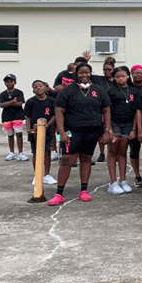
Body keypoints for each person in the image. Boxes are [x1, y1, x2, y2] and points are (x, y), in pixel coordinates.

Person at [49, 63, 111, 205]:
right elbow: (59, 110)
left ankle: (84, 190)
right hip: (72, 131)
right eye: (81, 73)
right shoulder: (67, 90)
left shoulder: (99, 90)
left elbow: (106, 110)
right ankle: (59, 193)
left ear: (91, 73)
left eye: (87, 72)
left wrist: (107, 131)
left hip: (92, 130)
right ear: (76, 74)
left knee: (86, 158)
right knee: (67, 160)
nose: (84, 75)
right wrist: (62, 132)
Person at [105, 66, 139, 195]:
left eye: (123, 76)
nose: (121, 79)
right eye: (118, 76)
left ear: (128, 76)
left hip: (128, 124)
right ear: (114, 78)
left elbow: (137, 111)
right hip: (114, 124)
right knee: (112, 152)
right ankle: (113, 182)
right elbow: (106, 110)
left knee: (123, 152)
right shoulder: (110, 91)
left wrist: (134, 129)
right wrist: (108, 129)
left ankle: (123, 180)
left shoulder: (134, 91)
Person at [24, 80, 57, 185]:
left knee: (47, 151)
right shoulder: (30, 102)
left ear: (46, 87)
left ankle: (46, 175)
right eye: (35, 87)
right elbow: (28, 117)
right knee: (36, 152)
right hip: (35, 131)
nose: (38, 88)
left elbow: (54, 115)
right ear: (33, 89)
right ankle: (37, 174)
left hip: (47, 130)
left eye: (40, 86)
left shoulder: (52, 101)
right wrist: (29, 129)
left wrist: (47, 125)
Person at [128, 65, 142, 187]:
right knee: (134, 151)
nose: (139, 75)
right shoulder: (128, 87)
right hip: (131, 122)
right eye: (136, 73)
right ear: (131, 74)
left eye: (141, 73)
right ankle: (137, 175)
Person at [0, 73, 26, 161]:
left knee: (19, 134)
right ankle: (11, 152)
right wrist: (12, 101)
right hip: (6, 117)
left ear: (15, 82)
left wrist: (8, 103)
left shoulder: (19, 92)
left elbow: (20, 103)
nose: (9, 83)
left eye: (11, 81)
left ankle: (21, 152)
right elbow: (1, 104)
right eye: (7, 82)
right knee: (10, 135)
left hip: (17, 116)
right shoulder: (2, 94)